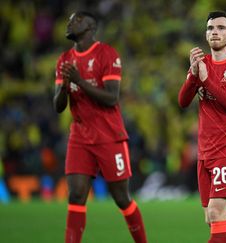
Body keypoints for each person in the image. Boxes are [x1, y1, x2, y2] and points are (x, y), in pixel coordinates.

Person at [53, 11, 147, 243]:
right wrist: (65, 87)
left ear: (90, 26)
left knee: (121, 198)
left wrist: (79, 81)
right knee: (75, 195)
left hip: (109, 136)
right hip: (80, 137)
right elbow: (58, 106)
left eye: (75, 19)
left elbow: (111, 98)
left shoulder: (107, 54)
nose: (69, 22)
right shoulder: (64, 59)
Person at [178, 11, 226, 243]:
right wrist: (193, 75)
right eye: (211, 28)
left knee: (216, 212)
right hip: (205, 151)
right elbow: (182, 102)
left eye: (221, 28)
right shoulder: (202, 65)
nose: (215, 32)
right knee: (213, 219)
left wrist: (206, 80)